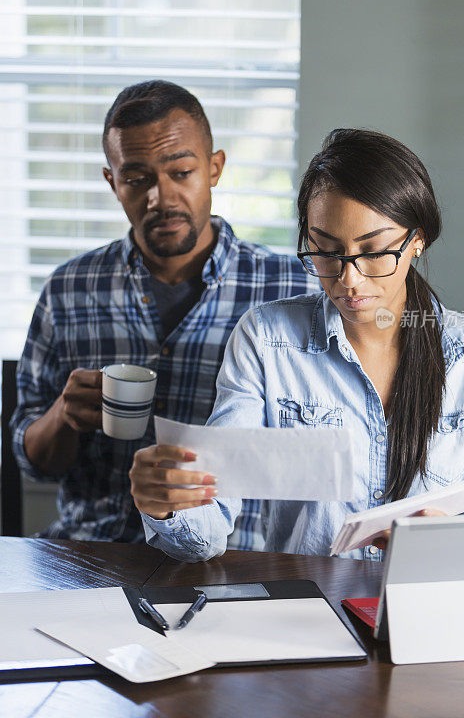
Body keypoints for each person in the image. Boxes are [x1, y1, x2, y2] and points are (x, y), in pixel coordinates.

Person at [130, 128, 464, 562]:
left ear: (417, 241)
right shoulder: (267, 341)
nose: (349, 279)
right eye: (326, 251)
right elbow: (205, 535)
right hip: (309, 607)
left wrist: (443, 543)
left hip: (434, 603)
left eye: (374, 251)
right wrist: (167, 504)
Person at [10, 80, 318, 546]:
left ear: (214, 168)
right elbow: (33, 462)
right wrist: (62, 416)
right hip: (93, 553)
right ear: (112, 182)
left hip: (234, 557)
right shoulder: (68, 289)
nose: (161, 197)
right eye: (137, 179)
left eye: (181, 172)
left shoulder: (295, 289)